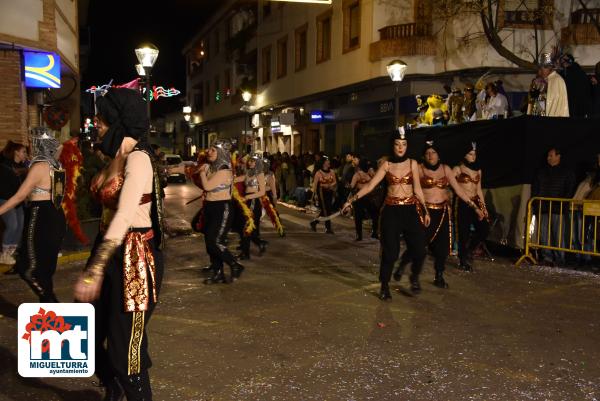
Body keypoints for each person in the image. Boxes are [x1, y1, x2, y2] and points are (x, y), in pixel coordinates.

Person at [73, 88, 164, 400]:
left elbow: (125, 214)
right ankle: (113, 389)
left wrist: (95, 269)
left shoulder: (138, 159)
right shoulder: (113, 158)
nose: (96, 123)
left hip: (134, 258)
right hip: (108, 248)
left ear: (118, 120)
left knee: (126, 348)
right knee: (87, 334)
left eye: (102, 118)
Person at [343, 127, 431, 300]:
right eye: (397, 144)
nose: (400, 147)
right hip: (391, 211)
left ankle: (413, 276)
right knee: (390, 252)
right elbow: (370, 186)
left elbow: (418, 190)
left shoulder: (413, 164)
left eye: (404, 144)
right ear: (393, 146)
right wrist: (351, 200)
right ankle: (384, 284)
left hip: (411, 210)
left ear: (407, 146)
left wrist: (425, 210)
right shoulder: (387, 165)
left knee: (420, 249)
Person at [395, 141, 486, 287]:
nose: (431, 156)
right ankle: (403, 266)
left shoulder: (446, 169)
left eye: (434, 153)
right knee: (418, 246)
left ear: (438, 155)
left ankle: (439, 276)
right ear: (424, 156)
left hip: (442, 213)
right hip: (425, 213)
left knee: (442, 248)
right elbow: (410, 188)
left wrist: (475, 207)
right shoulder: (419, 168)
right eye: (427, 153)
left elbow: (459, 190)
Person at [0, 129, 65, 301]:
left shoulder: (39, 166)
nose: (29, 145)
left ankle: (52, 304)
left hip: (39, 215)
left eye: (32, 141)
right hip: (57, 215)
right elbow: (60, 147)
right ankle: (49, 313)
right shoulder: (56, 165)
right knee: (45, 267)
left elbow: (20, 196)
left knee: (27, 267)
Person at [531, 147, 576, 266]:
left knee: (558, 235)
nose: (548, 158)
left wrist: (562, 203)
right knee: (544, 234)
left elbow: (569, 190)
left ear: (558, 156)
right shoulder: (541, 171)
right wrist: (536, 203)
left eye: (551, 155)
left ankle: (559, 259)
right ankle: (547, 257)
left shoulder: (567, 172)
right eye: (548, 156)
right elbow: (535, 188)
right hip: (543, 207)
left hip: (558, 209)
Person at [453, 142, 490, 271]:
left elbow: (479, 189)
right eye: (470, 154)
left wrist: (483, 207)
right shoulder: (458, 169)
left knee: (484, 228)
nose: (473, 156)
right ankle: (463, 259)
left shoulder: (478, 169)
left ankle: (469, 250)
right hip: (463, 203)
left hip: (476, 201)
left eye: (474, 154)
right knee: (463, 232)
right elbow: (452, 187)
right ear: (464, 154)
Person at [0, 141, 28, 265]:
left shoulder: (22, 167)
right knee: (13, 225)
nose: (25, 154)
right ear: (16, 152)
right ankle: (4, 254)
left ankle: (10, 253)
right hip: (6, 199)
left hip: (18, 201)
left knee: (20, 227)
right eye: (23, 152)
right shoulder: (5, 166)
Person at [236, 153, 267, 259]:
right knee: (246, 227)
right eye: (249, 160)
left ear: (257, 162)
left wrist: (248, 197)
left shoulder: (260, 174)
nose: (250, 162)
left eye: (252, 161)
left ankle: (246, 253)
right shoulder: (248, 173)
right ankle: (259, 243)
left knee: (247, 227)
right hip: (247, 201)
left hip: (254, 201)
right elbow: (235, 179)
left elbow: (262, 192)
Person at [350, 156, 379, 241]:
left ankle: (374, 232)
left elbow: (375, 182)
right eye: (367, 165)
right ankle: (359, 235)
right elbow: (352, 186)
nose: (369, 167)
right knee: (358, 216)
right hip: (359, 197)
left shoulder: (370, 173)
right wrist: (353, 197)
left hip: (368, 197)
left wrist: (372, 174)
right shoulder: (357, 174)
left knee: (375, 213)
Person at [310, 156, 337, 234]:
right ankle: (328, 228)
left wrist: (330, 185)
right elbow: (315, 185)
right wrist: (314, 196)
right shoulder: (318, 173)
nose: (329, 162)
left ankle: (314, 222)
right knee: (326, 210)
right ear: (323, 163)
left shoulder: (332, 171)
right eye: (327, 161)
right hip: (322, 193)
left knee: (327, 210)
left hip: (330, 192)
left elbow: (335, 181)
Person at [559, 54, 592, 118]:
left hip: (575, 103)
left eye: (564, 60)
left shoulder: (571, 72)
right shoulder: (576, 70)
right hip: (577, 104)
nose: (562, 63)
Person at [539, 53, 569, 117]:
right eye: (541, 68)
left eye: (543, 68)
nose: (541, 71)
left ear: (550, 68)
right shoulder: (546, 80)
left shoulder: (557, 80)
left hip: (555, 120)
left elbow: (558, 103)